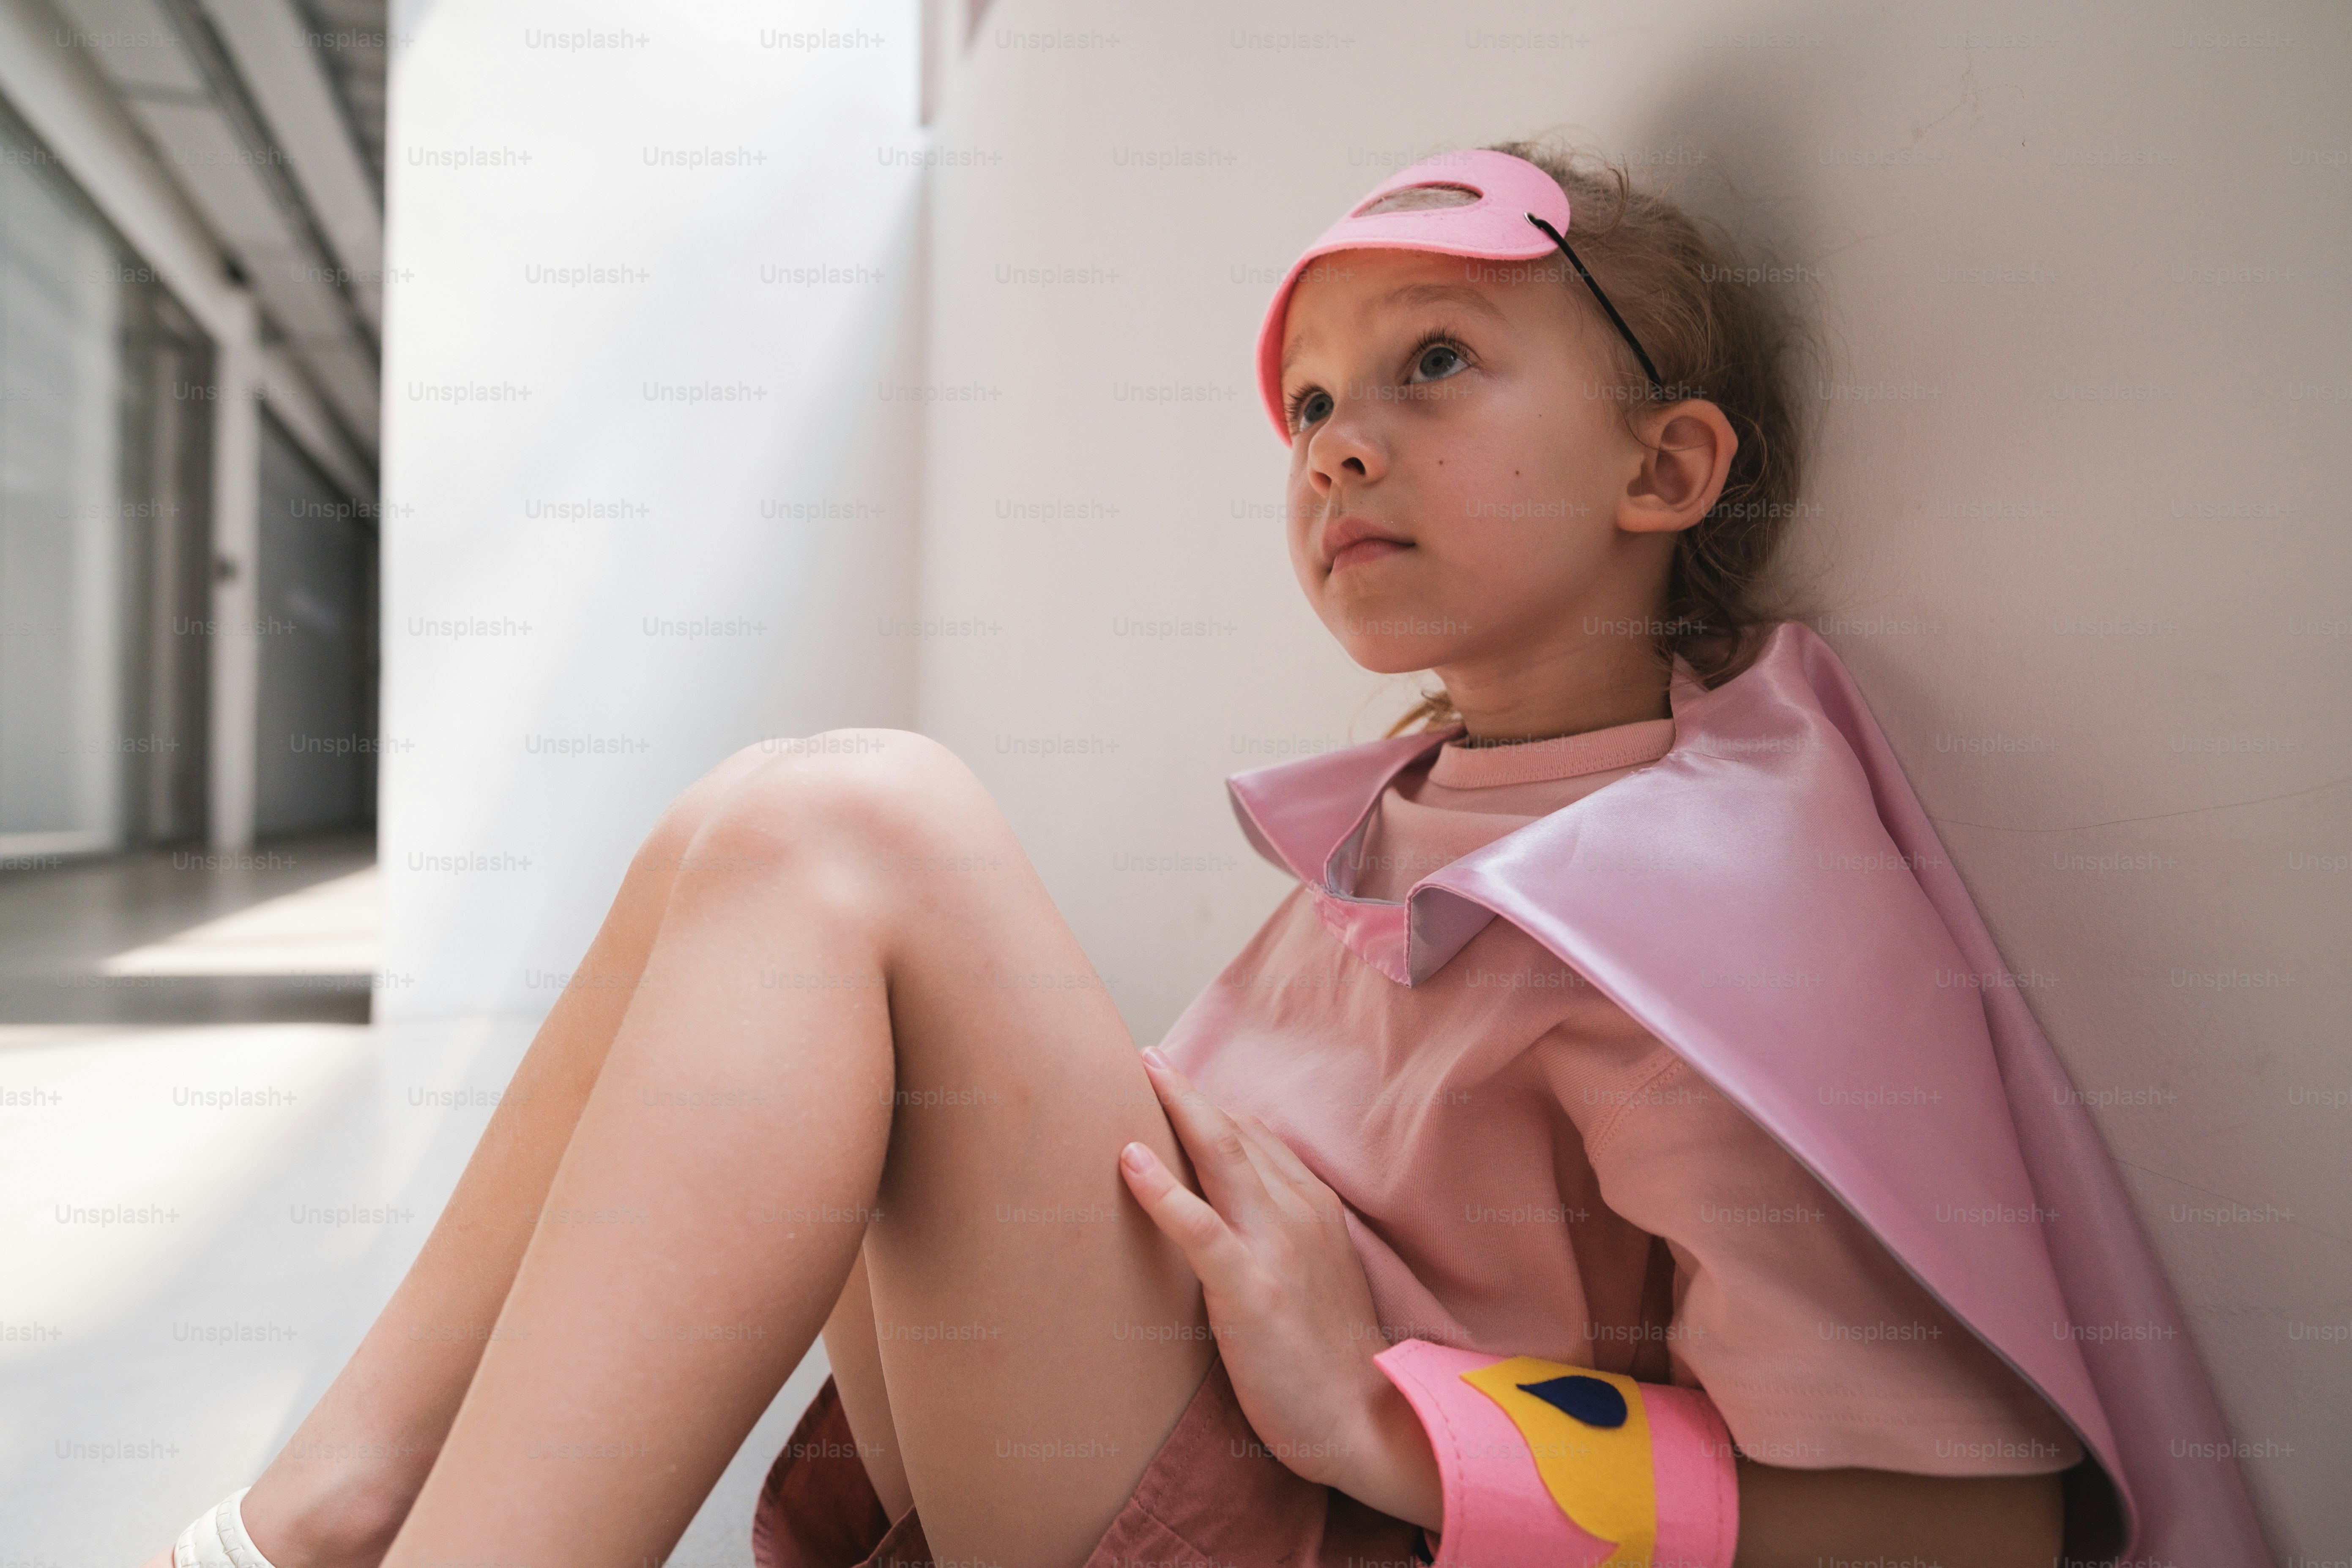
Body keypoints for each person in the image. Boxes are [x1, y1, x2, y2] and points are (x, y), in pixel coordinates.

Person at [155, 143, 2264, 1568]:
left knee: (851, 816)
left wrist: (1391, 1419)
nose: (1339, 437)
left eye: (1433, 361)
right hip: (1162, 1449)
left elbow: (1970, 1524)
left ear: (1664, 464)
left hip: (1321, 1513)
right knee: (759, 817)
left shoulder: (1718, 884)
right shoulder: (1413, 799)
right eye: (1311, 405)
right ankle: (357, 1487)